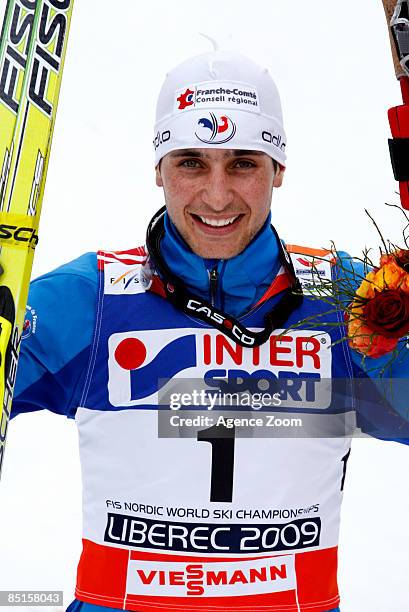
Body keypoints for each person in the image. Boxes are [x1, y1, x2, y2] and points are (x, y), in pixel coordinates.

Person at [11, 50, 409, 612]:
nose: (217, 196)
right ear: (158, 169)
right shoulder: (91, 298)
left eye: (244, 163)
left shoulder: (345, 299)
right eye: (191, 163)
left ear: (279, 170)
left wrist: (390, 351)